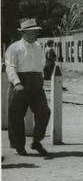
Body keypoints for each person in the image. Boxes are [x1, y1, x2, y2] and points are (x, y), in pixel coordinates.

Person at [5, 19, 51, 156]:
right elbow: (10, 67)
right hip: (20, 84)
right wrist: (17, 83)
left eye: (36, 31)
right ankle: (19, 146)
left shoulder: (38, 46)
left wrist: (40, 79)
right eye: (33, 31)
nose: (36, 33)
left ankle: (36, 141)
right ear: (24, 32)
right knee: (16, 116)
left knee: (44, 112)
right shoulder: (14, 48)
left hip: (36, 85)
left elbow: (40, 64)